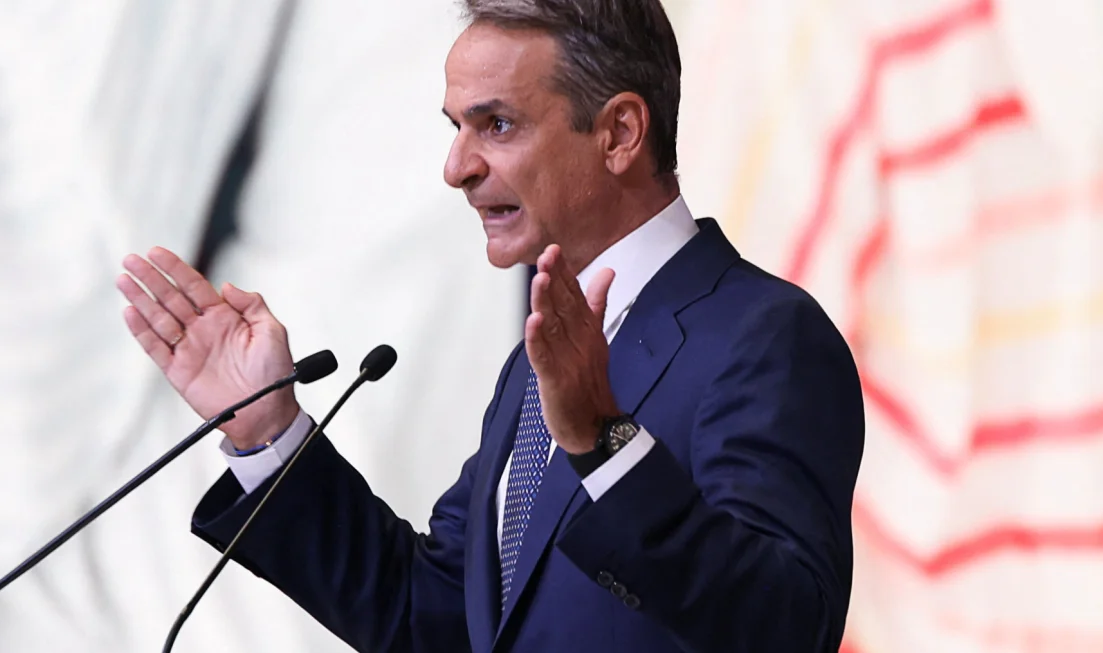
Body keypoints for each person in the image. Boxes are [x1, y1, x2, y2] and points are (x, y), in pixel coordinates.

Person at [116, 0, 864, 651]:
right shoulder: (533, 366)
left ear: (619, 133)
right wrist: (269, 435)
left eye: (496, 125)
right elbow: (434, 617)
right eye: (456, 128)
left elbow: (785, 627)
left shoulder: (763, 338)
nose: (455, 167)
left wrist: (605, 443)